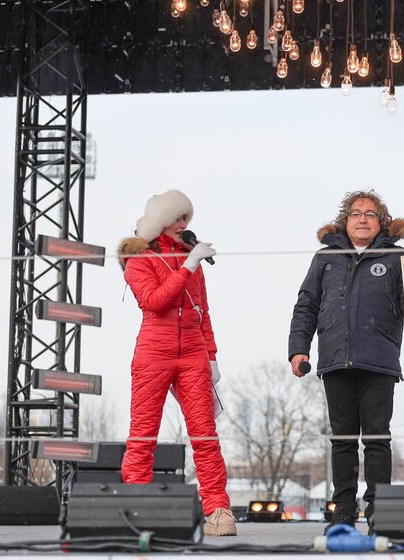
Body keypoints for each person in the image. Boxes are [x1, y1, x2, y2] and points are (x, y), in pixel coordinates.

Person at [288, 190, 404, 535]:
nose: (362, 219)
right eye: (356, 213)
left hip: (379, 361)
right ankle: (343, 509)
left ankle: (379, 510)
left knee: (377, 438)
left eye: (370, 214)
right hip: (335, 360)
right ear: (345, 220)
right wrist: (299, 349)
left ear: (381, 222)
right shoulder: (326, 258)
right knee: (341, 439)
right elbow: (307, 305)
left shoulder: (398, 258)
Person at [118, 189, 236, 537]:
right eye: (177, 217)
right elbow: (155, 301)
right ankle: (135, 506)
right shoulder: (139, 258)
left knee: (205, 435)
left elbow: (204, 313)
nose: (183, 224)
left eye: (186, 218)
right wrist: (188, 265)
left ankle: (217, 509)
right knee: (143, 433)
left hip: (193, 354)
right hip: (154, 352)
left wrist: (211, 356)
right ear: (161, 221)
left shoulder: (191, 259)